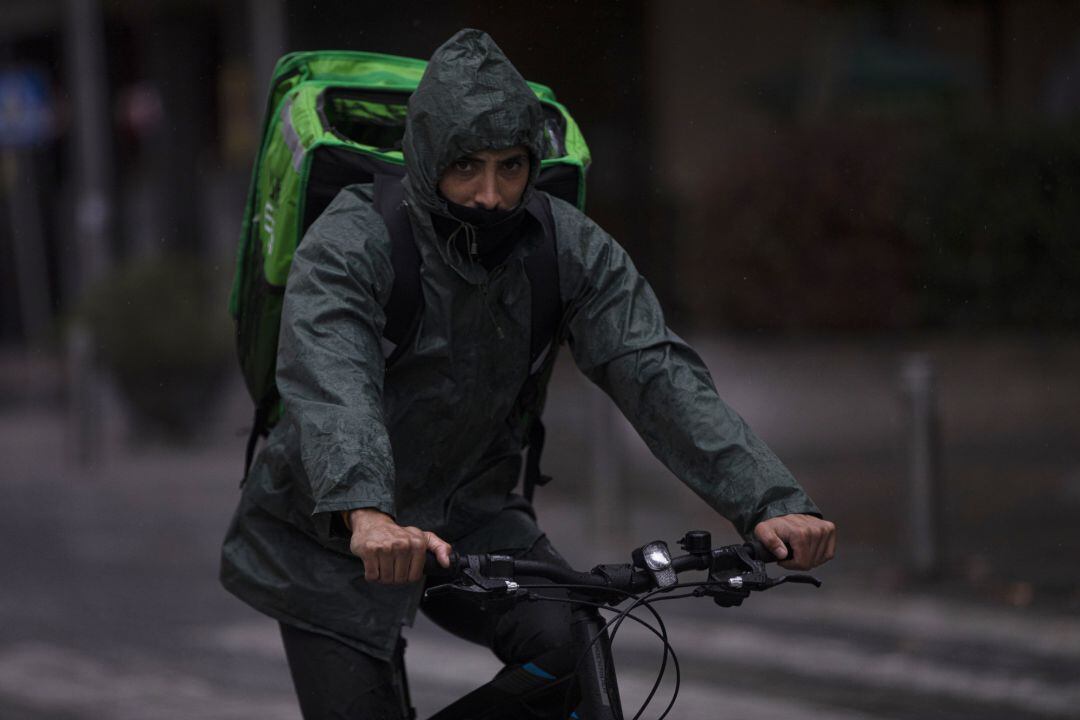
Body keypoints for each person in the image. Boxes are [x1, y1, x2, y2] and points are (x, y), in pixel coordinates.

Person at [221, 28, 836, 719]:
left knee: (570, 645)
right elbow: (334, 378)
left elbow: (655, 370)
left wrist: (771, 499)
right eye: (467, 168)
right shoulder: (351, 242)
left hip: (474, 522)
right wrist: (367, 513)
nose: (491, 195)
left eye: (511, 167)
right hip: (329, 538)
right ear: (427, 161)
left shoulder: (564, 245)